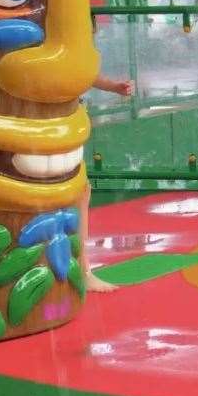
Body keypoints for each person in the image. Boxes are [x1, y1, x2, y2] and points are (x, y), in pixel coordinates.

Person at [80, 74, 134, 293]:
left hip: (69, 126)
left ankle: (83, 271)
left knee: (81, 193)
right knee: (77, 195)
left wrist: (112, 86)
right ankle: (83, 272)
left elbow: (80, 67)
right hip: (55, 126)